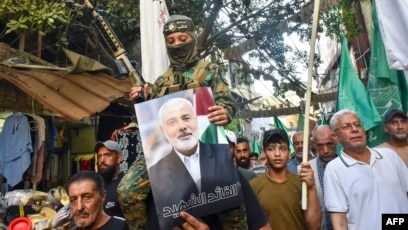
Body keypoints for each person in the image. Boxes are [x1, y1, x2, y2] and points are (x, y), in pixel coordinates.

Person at [119, 14, 246, 229]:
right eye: (171, 41)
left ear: (193, 38)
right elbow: (149, 123)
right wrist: (139, 103)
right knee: (127, 190)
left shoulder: (210, 70)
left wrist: (224, 112)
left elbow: (227, 101)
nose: (177, 44)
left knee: (229, 197)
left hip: (207, 147)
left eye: (182, 38)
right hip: (168, 151)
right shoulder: (160, 82)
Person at [147, 98, 243, 229]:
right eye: (172, 122)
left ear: (196, 120)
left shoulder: (223, 156)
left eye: (186, 118)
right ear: (163, 129)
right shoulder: (156, 173)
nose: (182, 126)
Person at [325, 109, 408, 230]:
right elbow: (339, 222)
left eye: (357, 124)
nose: (354, 129)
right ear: (335, 137)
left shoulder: (389, 156)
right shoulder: (334, 169)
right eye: (346, 126)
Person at [250, 128, 322, 230]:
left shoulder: (303, 183)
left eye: (282, 148)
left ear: (289, 152)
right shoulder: (253, 186)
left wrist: (312, 188)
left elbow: (314, 226)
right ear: (264, 153)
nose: (277, 154)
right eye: (271, 149)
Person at [309, 125, 338, 230]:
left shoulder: (348, 166)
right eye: (320, 146)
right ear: (314, 145)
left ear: (336, 140)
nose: (326, 150)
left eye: (329, 144)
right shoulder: (306, 170)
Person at [94, 140, 125, 218]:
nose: (102, 160)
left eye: (107, 155)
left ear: (119, 158)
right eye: (99, 156)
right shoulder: (96, 184)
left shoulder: (126, 185)